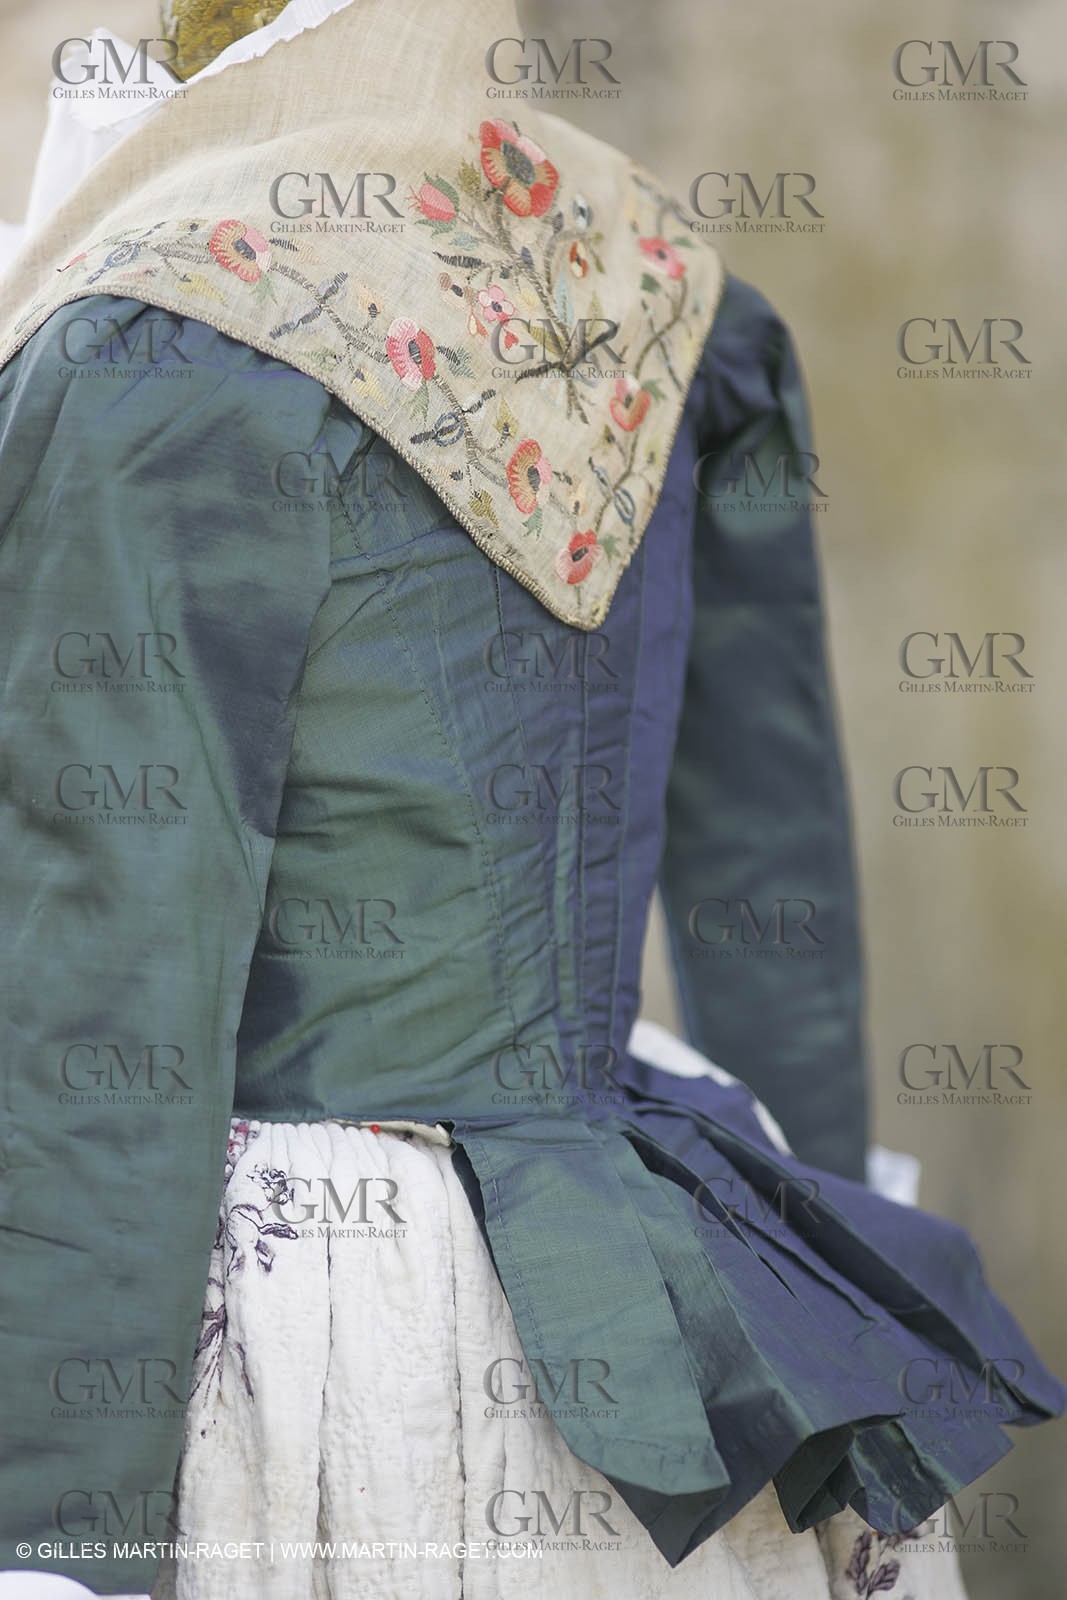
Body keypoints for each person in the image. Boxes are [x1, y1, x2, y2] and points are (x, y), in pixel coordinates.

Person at [0, 2, 1061, 1597]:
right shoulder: (673, 291)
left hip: (279, 1341)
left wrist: (58, 1537)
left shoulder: (161, 343)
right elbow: (772, 871)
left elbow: (107, 995)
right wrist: (825, 1259)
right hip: (640, 1282)